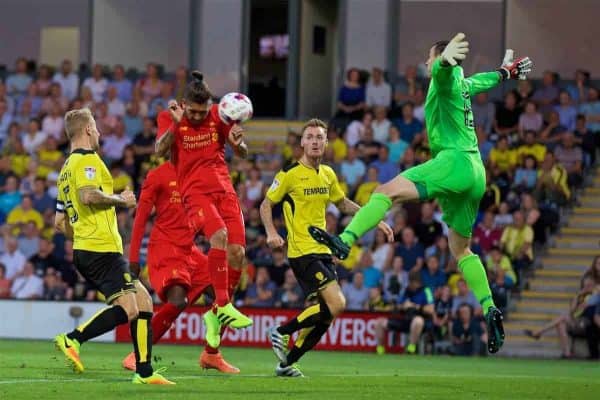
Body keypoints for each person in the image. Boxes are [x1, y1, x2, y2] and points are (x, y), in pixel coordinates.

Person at [308, 33, 532, 354]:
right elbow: (481, 81)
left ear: (441, 57)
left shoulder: (443, 78)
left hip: (452, 162)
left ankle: (344, 240)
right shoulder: (463, 85)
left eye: (429, 57)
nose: (426, 62)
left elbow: (441, 71)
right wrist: (505, 73)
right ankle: (490, 308)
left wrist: (443, 61)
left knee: (385, 192)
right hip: (476, 171)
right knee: (461, 249)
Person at [259, 118, 393, 377]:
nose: (315, 141)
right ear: (302, 143)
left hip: (323, 251)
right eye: (310, 137)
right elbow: (266, 205)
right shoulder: (289, 174)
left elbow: (342, 204)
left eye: (319, 137)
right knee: (338, 303)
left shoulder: (328, 174)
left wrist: (373, 218)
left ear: (326, 142)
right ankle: (281, 331)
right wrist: (271, 232)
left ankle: (287, 363)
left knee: (327, 316)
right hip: (301, 251)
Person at [53, 108, 172, 384]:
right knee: (130, 308)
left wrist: (82, 236)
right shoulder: (86, 161)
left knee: (143, 302)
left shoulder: (64, 171)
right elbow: (89, 196)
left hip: (90, 247)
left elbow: (60, 222)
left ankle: (144, 372)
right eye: (95, 127)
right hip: (101, 249)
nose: (99, 132)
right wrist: (121, 199)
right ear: (87, 130)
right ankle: (73, 339)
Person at [154, 71, 252, 339]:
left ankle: (215, 320)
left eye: (202, 112)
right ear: (184, 105)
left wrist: (238, 142)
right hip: (194, 193)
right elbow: (159, 151)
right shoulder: (170, 116)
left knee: (238, 253)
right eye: (193, 112)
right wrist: (177, 124)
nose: (198, 117)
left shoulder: (219, 116)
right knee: (218, 236)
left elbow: (242, 151)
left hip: (224, 190)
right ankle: (222, 304)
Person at [121, 159, 239, 373]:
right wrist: (133, 259)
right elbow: (140, 218)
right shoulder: (158, 175)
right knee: (178, 300)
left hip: (190, 250)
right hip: (165, 248)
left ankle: (211, 354)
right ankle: (138, 354)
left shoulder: (201, 176)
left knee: (225, 291)